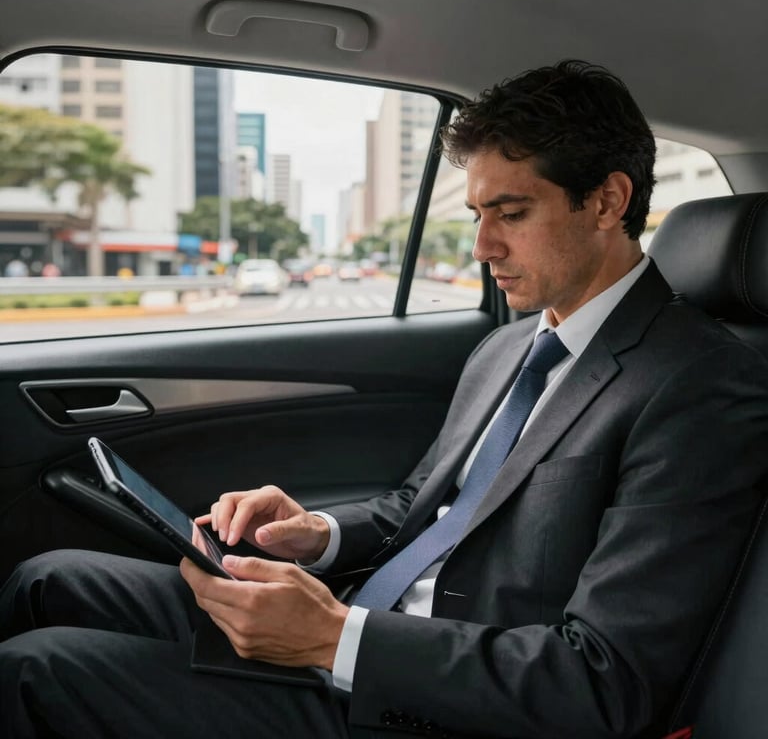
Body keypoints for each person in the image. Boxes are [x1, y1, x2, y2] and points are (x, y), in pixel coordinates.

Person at [2, 59, 768, 739]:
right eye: (477, 215)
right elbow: (423, 506)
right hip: (362, 622)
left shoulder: (700, 386)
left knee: (36, 671)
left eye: (512, 213)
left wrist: (333, 640)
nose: (481, 247)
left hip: (437, 698)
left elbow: (605, 682)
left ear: (607, 202)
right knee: (51, 578)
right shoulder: (510, 346)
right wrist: (315, 535)